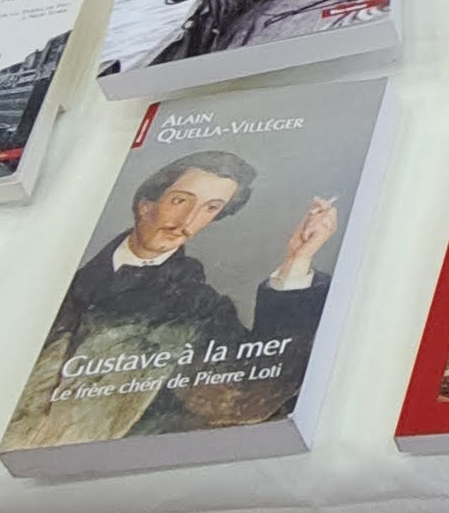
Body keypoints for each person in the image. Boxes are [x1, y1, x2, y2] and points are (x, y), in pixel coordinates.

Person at [46, 147, 338, 423]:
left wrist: (297, 260)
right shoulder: (61, 275)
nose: (188, 220)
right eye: (180, 201)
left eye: (210, 208)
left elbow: (249, 391)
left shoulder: (200, 307)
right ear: (145, 205)